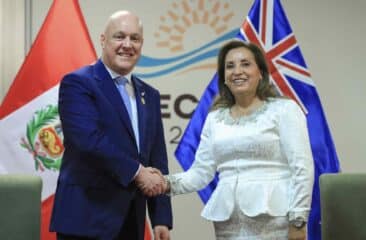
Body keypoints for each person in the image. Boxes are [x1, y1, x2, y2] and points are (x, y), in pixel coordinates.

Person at [161, 40, 314, 240]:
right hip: (229, 225)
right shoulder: (215, 118)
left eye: (245, 64)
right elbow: (200, 173)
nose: (237, 71)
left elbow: (302, 167)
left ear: (260, 72)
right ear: (224, 77)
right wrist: (163, 183)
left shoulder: (284, 110)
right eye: (230, 66)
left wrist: (299, 220)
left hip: (276, 223)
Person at [50, 10, 172, 240]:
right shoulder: (78, 83)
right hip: (85, 220)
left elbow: (157, 157)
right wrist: (137, 173)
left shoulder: (150, 95)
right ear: (103, 40)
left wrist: (161, 217)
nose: (127, 45)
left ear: (141, 44)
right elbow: (87, 140)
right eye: (119, 36)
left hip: (130, 222)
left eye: (134, 38)